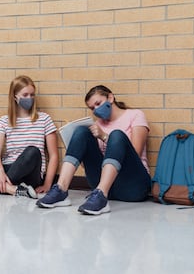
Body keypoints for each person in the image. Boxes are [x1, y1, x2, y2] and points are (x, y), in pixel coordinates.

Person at [37, 85, 151, 215]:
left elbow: (135, 152)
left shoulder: (135, 115)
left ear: (110, 97)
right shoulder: (96, 124)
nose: (96, 109)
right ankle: (61, 189)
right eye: (92, 108)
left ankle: (101, 195)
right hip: (106, 186)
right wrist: (78, 149)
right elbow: (88, 166)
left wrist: (103, 136)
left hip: (133, 186)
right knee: (81, 131)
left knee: (117, 135)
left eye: (98, 103)